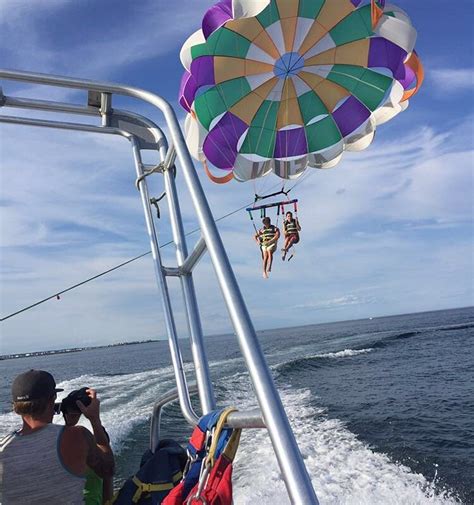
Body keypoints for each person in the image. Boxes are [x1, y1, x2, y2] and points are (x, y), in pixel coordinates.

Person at [0, 369, 114, 505]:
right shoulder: (76, 436)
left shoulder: (3, 448)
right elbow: (108, 469)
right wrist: (95, 420)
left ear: (15, 407)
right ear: (52, 398)